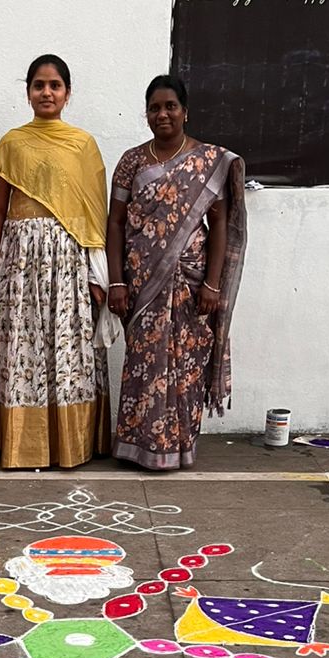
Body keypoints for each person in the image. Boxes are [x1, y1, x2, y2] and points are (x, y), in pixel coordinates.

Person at [106, 74, 246, 472]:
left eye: (170, 106)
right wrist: (116, 281)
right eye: (154, 108)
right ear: (146, 114)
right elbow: (115, 223)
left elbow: (219, 225)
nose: (162, 114)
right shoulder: (131, 161)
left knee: (186, 366)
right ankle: (139, 445)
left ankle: (179, 447)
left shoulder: (207, 162)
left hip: (190, 281)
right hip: (142, 283)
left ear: (185, 111)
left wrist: (213, 283)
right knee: (144, 363)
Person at [0, 55, 110, 469]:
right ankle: (23, 444)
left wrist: (97, 273)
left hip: (68, 260)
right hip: (20, 260)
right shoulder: (11, 143)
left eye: (55, 85)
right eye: (38, 85)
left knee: (66, 345)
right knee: (22, 344)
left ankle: (70, 444)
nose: (46, 92)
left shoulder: (83, 145)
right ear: (27, 92)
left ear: (67, 93)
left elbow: (95, 213)